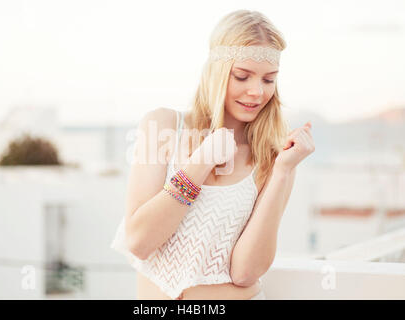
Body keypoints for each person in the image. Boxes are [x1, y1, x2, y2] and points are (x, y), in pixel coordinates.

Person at [110, 9, 315, 300]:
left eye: (269, 80)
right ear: (217, 72)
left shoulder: (274, 158)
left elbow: (245, 272)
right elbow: (140, 242)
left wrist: (282, 172)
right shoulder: (164, 125)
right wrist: (201, 162)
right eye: (242, 76)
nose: (257, 91)